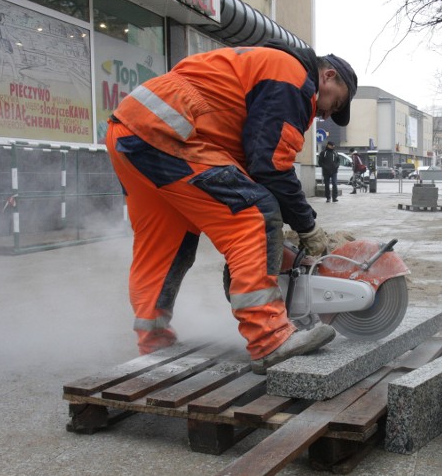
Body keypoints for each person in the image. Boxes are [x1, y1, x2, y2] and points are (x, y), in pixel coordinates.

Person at [105, 39, 358, 374]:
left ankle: (153, 339)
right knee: (255, 216)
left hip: (131, 130)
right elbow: (270, 165)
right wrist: (307, 226)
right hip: (169, 129)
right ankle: (270, 339)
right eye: (332, 103)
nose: (325, 114)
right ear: (326, 76)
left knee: (167, 243)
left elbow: (254, 162)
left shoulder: (268, 66)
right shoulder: (293, 78)